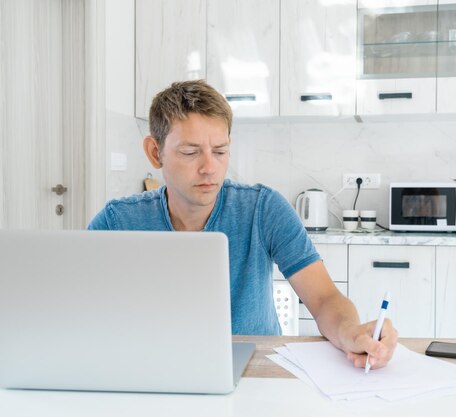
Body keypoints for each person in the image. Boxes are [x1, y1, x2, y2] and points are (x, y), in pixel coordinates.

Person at [88, 80, 397, 370]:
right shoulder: (119, 221)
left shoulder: (263, 209)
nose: (210, 167)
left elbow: (324, 299)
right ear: (156, 153)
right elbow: (76, 306)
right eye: (190, 152)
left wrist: (350, 333)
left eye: (220, 151)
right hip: (153, 368)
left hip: (255, 371)